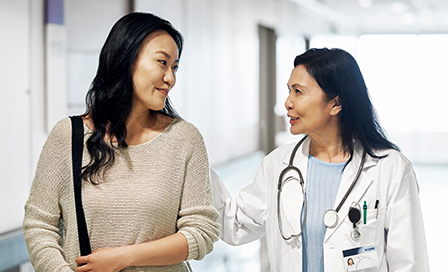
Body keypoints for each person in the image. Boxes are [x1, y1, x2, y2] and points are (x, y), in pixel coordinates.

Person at [23, 12, 219, 272]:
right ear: (126, 58)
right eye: (162, 62)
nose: (171, 78)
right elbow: (39, 225)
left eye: (175, 67)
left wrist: (124, 257)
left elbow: (202, 231)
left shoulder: (185, 139)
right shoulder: (68, 136)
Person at [211, 48, 429, 271]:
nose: (288, 102)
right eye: (289, 91)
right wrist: (194, 159)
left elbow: (409, 264)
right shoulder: (278, 165)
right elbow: (234, 225)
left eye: (298, 91)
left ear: (335, 103)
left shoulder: (391, 168)